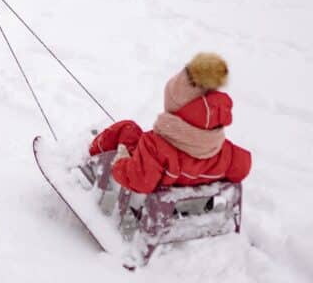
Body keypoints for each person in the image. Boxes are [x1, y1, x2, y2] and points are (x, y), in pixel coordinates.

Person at [87, 52, 252, 193]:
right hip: (173, 179)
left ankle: (90, 160)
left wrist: (120, 163)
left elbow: (140, 180)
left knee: (126, 128)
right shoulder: (225, 153)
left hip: (145, 170)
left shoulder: (154, 146)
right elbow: (243, 165)